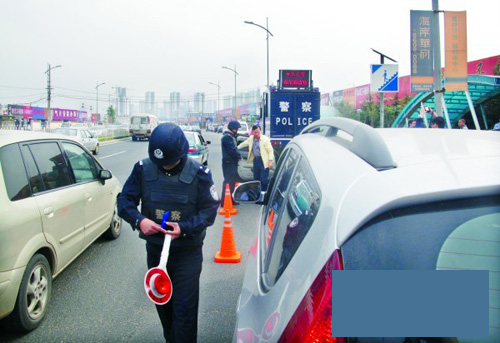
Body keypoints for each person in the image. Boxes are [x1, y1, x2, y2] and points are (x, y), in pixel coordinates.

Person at [117, 123, 219, 343]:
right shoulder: (143, 169)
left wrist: (184, 228)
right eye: (159, 162)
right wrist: (140, 220)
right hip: (155, 252)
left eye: (169, 162)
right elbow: (124, 200)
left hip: (187, 253)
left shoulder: (200, 174)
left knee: (184, 312)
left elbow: (209, 211)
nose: (164, 166)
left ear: (181, 153)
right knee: (164, 308)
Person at [237, 125, 274, 191]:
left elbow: (270, 150)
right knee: (256, 179)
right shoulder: (251, 139)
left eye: (258, 132)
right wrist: (235, 149)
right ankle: (257, 193)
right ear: (252, 132)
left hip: (264, 161)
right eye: (255, 132)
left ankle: (263, 193)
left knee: (263, 179)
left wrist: (270, 160)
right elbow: (243, 144)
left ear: (260, 131)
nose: (257, 134)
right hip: (256, 160)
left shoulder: (265, 139)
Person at [221, 120, 242, 207]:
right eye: (236, 129)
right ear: (233, 129)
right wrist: (239, 156)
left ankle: (230, 199)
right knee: (229, 182)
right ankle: (225, 201)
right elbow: (232, 151)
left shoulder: (230, 137)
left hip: (231, 163)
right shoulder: (227, 137)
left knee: (232, 182)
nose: (237, 130)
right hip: (229, 163)